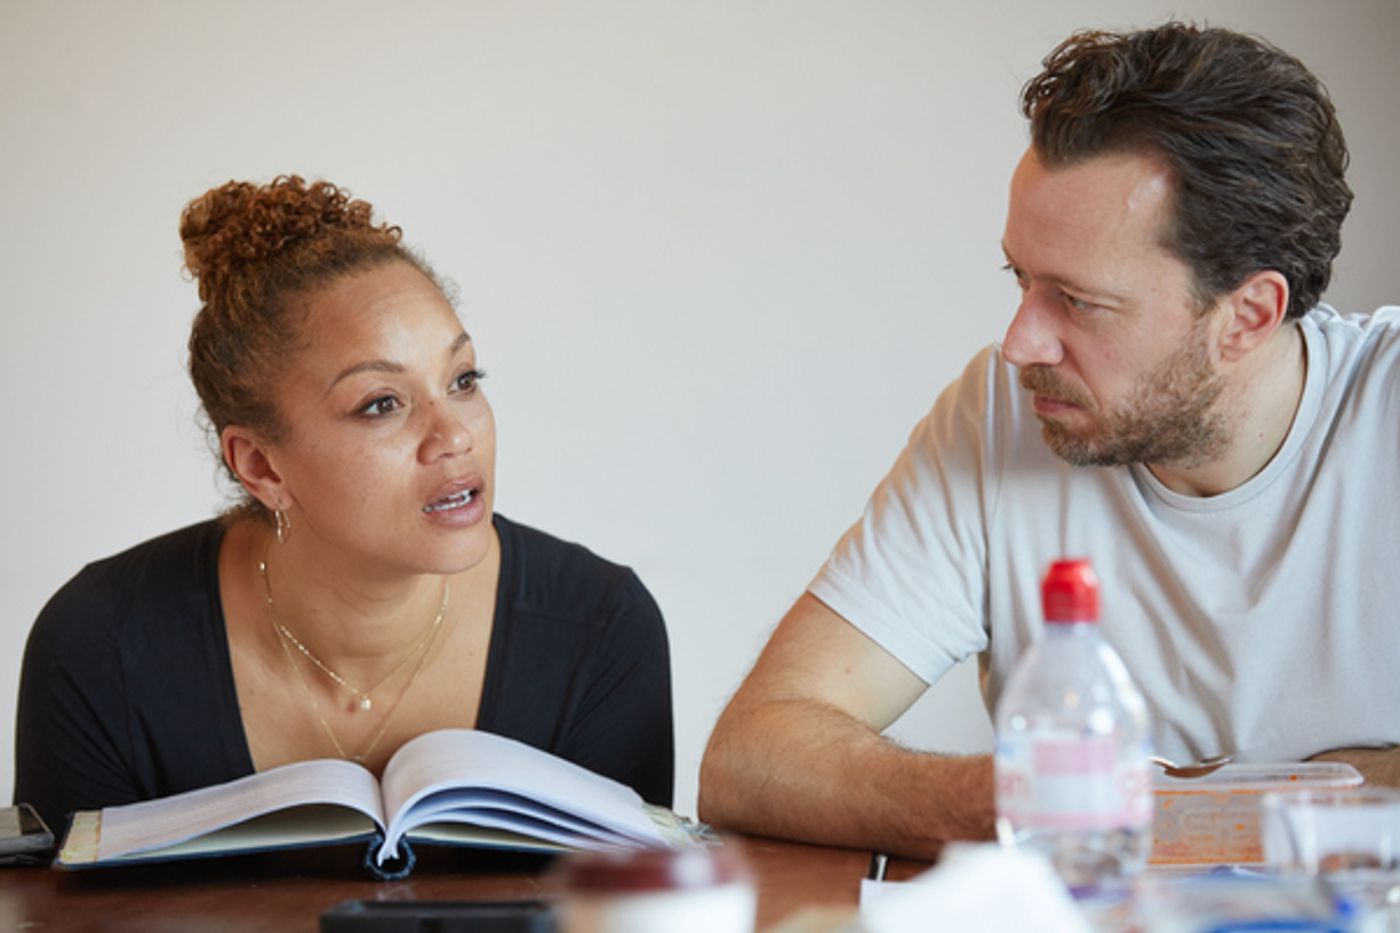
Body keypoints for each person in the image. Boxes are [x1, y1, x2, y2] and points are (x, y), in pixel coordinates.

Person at [699, 21, 1400, 859]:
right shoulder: (1002, 411)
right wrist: (1011, 799)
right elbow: (751, 756)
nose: (1019, 342)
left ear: (1247, 315)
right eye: (1020, 279)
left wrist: (1189, 808)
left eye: (1077, 300)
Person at [15, 176, 674, 836]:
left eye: (463, 380)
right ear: (261, 465)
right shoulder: (101, 647)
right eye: (381, 403)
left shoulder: (601, 632)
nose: (455, 436)